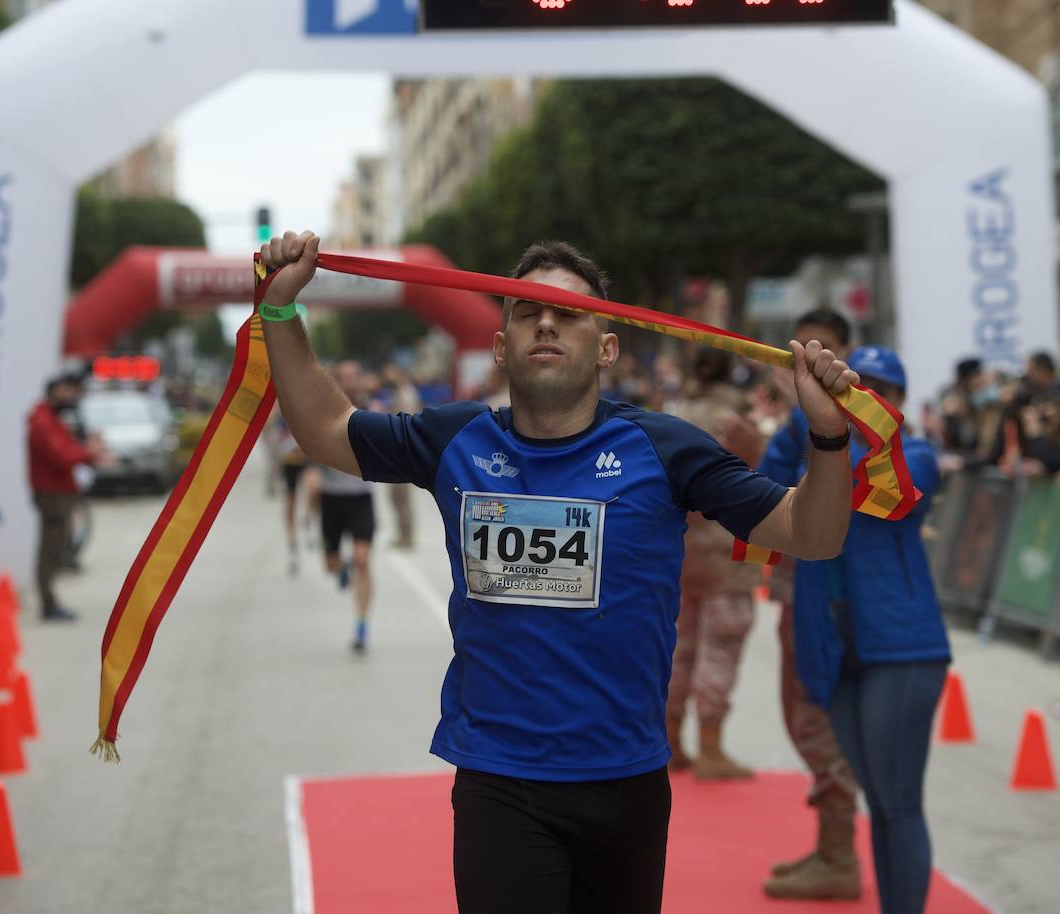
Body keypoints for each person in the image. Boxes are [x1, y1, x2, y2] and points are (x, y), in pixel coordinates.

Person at [259, 231, 858, 914]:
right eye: (527, 311)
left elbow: (813, 534)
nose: (545, 321)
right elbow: (324, 430)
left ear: (607, 347)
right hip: (500, 782)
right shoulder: (455, 439)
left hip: (629, 783)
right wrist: (281, 312)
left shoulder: (666, 450)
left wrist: (829, 436)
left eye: (568, 312)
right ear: (501, 345)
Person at [787, 347, 949, 914]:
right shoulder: (811, 445)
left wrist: (824, 433)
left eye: (884, 390)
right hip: (835, 652)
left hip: (902, 649)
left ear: (901, 401)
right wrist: (803, 413)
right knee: (880, 803)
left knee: (899, 803)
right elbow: (758, 487)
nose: (870, 398)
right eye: (861, 385)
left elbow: (871, 486)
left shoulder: (919, 456)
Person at [758, 308, 862, 901]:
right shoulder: (798, 419)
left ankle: (840, 853)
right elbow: (766, 488)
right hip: (805, 589)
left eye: (826, 349)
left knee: (815, 717)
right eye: (803, 349)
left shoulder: (860, 406)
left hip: (836, 597)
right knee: (802, 715)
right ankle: (831, 845)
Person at [665, 349, 760, 781]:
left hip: (680, 550)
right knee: (720, 648)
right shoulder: (737, 416)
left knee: (677, 650)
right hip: (728, 549)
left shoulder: (675, 413)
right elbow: (760, 472)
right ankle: (710, 747)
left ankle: (668, 742)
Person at [27, 374, 103, 621]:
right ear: (55, 391)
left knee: (55, 547)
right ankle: (48, 603)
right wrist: (88, 453)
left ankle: (50, 601)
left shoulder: (49, 419)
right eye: (67, 391)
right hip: (52, 495)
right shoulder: (43, 421)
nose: (71, 397)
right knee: (50, 549)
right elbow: (62, 456)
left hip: (58, 492)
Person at [316, 360, 377, 654]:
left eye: (354, 376)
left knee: (363, 560)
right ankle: (340, 568)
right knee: (330, 565)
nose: (350, 382)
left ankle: (362, 626)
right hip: (331, 497)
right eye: (344, 377)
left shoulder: (373, 411)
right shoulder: (323, 413)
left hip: (360, 497)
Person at [381, 363, 422, 549]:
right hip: (400, 452)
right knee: (397, 497)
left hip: (403, 453)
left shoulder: (406, 394)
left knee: (401, 497)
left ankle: (406, 535)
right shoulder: (401, 392)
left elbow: (405, 420)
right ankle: (403, 534)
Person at [269, 406, 313, 575]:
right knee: (291, 503)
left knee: (313, 487)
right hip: (289, 460)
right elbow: (270, 427)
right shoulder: (280, 405)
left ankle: (309, 518)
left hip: (309, 457)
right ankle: (292, 543)